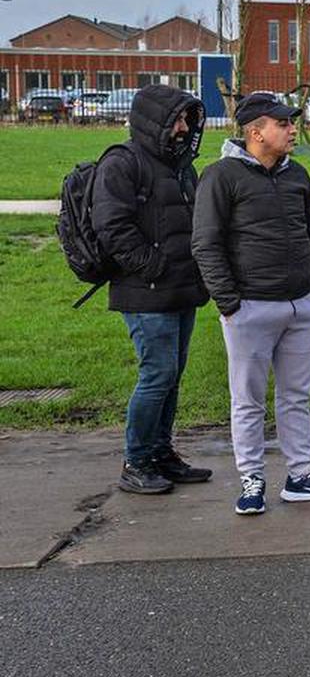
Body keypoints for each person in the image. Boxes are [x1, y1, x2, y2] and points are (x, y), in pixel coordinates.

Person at [191, 91, 310, 514]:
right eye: (282, 123)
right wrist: (229, 303)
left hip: (303, 305)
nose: (292, 128)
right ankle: (252, 479)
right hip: (250, 308)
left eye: (290, 122)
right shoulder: (221, 176)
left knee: (297, 395)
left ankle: (301, 475)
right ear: (255, 131)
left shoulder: (296, 174)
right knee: (248, 399)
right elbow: (206, 244)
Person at [93, 85, 211, 495]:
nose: (183, 128)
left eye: (187, 120)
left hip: (181, 289)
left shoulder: (181, 167)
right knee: (157, 374)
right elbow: (112, 227)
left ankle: (161, 454)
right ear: (153, 121)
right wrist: (153, 266)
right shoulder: (122, 164)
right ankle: (137, 460)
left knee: (172, 375)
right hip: (146, 292)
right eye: (177, 119)